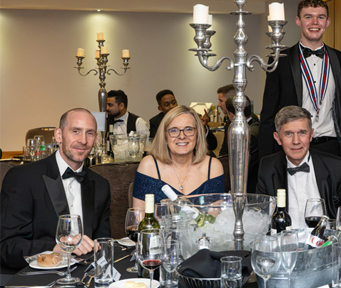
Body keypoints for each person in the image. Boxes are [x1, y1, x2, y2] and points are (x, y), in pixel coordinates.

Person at [1, 108, 111, 271]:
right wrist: (55, 247)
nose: (83, 140)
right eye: (75, 131)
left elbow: (103, 243)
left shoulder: (101, 185)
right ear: (59, 135)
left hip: (83, 278)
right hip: (34, 280)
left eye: (90, 133)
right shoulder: (23, 178)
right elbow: (6, 247)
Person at [259, 0, 341, 159]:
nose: (315, 22)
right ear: (298, 21)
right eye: (308, 17)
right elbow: (268, 114)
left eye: (320, 17)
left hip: (330, 145)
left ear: (327, 22)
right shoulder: (280, 59)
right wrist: (265, 159)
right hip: (293, 145)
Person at [256, 106, 341, 228]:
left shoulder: (339, 168)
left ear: (311, 135)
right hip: (283, 243)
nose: (296, 141)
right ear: (278, 138)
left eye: (302, 133)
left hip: (326, 243)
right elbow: (260, 217)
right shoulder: (267, 168)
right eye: (288, 134)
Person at [132, 105, 225, 206]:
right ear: (165, 136)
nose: (181, 136)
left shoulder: (213, 167)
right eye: (174, 130)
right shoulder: (149, 166)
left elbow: (217, 217)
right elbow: (138, 216)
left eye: (188, 129)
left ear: (198, 134)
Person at [148, 89, 217, 153]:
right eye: (167, 104)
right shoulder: (155, 122)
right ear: (160, 108)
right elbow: (156, 148)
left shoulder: (191, 117)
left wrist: (203, 128)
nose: (171, 106)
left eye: (173, 102)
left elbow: (212, 145)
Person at [224, 95, 260, 192]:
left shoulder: (246, 134)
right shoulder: (257, 126)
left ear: (231, 114)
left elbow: (240, 167)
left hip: (247, 188)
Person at [217, 84, 236, 156]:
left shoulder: (249, 124)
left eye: (221, 101)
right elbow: (224, 152)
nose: (218, 105)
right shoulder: (229, 123)